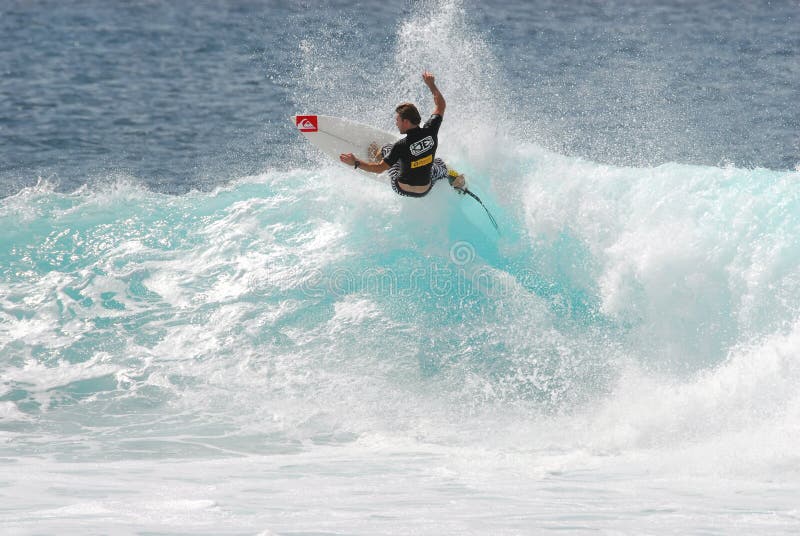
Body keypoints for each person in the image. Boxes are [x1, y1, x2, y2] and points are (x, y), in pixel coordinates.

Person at [339, 71, 465, 197]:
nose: (396, 123)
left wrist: (355, 162)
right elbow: (441, 105)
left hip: (402, 188)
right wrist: (431, 84)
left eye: (397, 120)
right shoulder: (431, 130)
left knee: (386, 148)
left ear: (405, 121)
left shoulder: (400, 146)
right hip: (425, 190)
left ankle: (375, 156)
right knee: (439, 164)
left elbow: (379, 169)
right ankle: (456, 182)